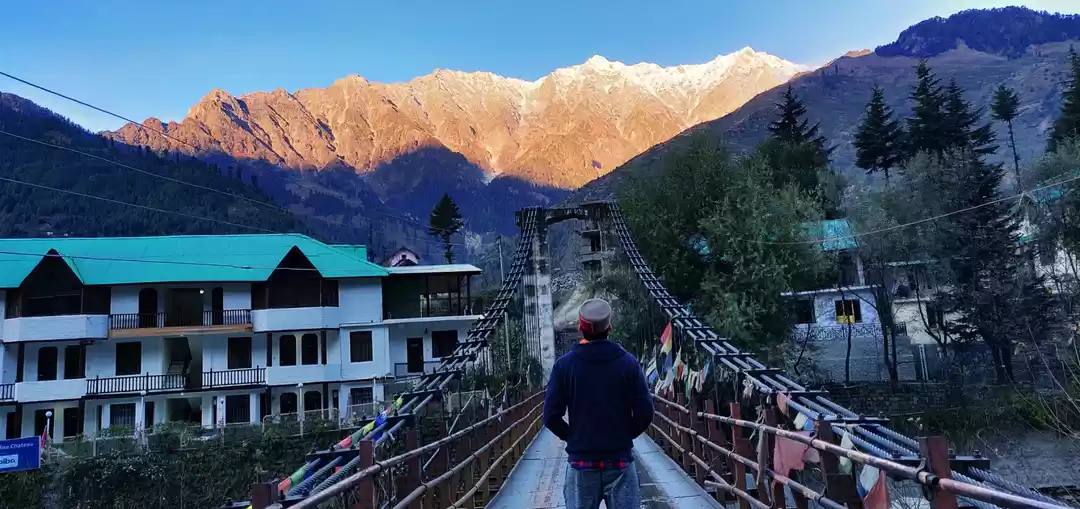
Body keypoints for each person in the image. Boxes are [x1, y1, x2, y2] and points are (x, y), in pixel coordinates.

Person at [543, 298, 655, 509]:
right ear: (609, 327)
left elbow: (550, 417)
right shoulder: (628, 362)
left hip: (581, 463)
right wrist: (624, 435)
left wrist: (574, 437)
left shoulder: (564, 366)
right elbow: (645, 412)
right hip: (619, 460)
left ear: (580, 327)